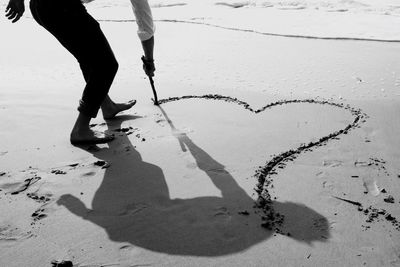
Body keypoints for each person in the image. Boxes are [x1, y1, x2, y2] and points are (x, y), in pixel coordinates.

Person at [5, 0, 155, 145]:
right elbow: (145, 24)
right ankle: (80, 129)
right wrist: (149, 60)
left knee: (89, 58)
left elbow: (144, 24)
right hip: (56, 6)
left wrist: (148, 61)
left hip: (49, 7)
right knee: (106, 64)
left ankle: (107, 105)